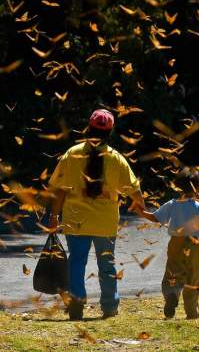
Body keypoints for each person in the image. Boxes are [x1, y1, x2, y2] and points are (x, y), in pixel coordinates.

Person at [47, 108, 145, 320]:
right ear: (110, 133)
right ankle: (109, 307)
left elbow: (58, 189)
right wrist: (141, 206)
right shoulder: (116, 159)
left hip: (76, 221)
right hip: (105, 223)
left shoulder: (72, 154)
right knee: (106, 264)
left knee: (76, 262)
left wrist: (54, 217)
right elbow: (135, 191)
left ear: (88, 128)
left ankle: (76, 304)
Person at [135, 167, 199, 320]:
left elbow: (155, 218)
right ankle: (192, 313)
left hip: (175, 243)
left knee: (173, 272)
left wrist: (142, 212)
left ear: (177, 187)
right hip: (195, 244)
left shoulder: (172, 204)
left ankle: (171, 294)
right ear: (197, 188)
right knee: (193, 278)